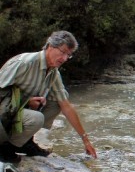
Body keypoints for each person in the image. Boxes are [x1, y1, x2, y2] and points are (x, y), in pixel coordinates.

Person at [0, 30, 97, 162]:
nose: (64, 59)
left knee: (55, 103)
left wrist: (85, 140)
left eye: (68, 55)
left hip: (15, 112)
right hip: (4, 112)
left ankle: (23, 143)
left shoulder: (53, 73)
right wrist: (27, 101)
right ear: (50, 46)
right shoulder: (24, 63)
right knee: (37, 117)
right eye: (62, 52)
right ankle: (6, 149)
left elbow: (66, 106)